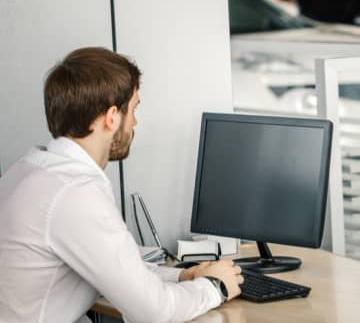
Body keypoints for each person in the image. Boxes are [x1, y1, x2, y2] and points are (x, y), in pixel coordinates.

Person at [0, 47, 243, 322]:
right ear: (112, 116)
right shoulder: (74, 194)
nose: (135, 122)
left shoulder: (30, 170)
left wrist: (183, 275)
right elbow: (154, 311)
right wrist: (215, 287)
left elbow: (115, 271)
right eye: (134, 109)